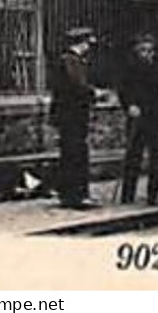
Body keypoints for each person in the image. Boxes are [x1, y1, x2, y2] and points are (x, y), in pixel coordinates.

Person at [118, 33, 158, 206]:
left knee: (156, 159)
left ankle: (153, 196)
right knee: (133, 157)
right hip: (138, 116)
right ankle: (127, 195)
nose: (147, 53)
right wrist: (129, 106)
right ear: (136, 50)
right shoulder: (129, 66)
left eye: (149, 49)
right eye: (143, 50)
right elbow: (122, 89)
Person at [49, 26, 103, 209]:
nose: (89, 47)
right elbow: (78, 86)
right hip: (72, 114)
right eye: (88, 43)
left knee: (73, 152)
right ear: (82, 43)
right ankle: (75, 194)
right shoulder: (71, 61)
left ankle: (72, 193)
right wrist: (96, 94)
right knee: (75, 153)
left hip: (71, 114)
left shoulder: (73, 60)